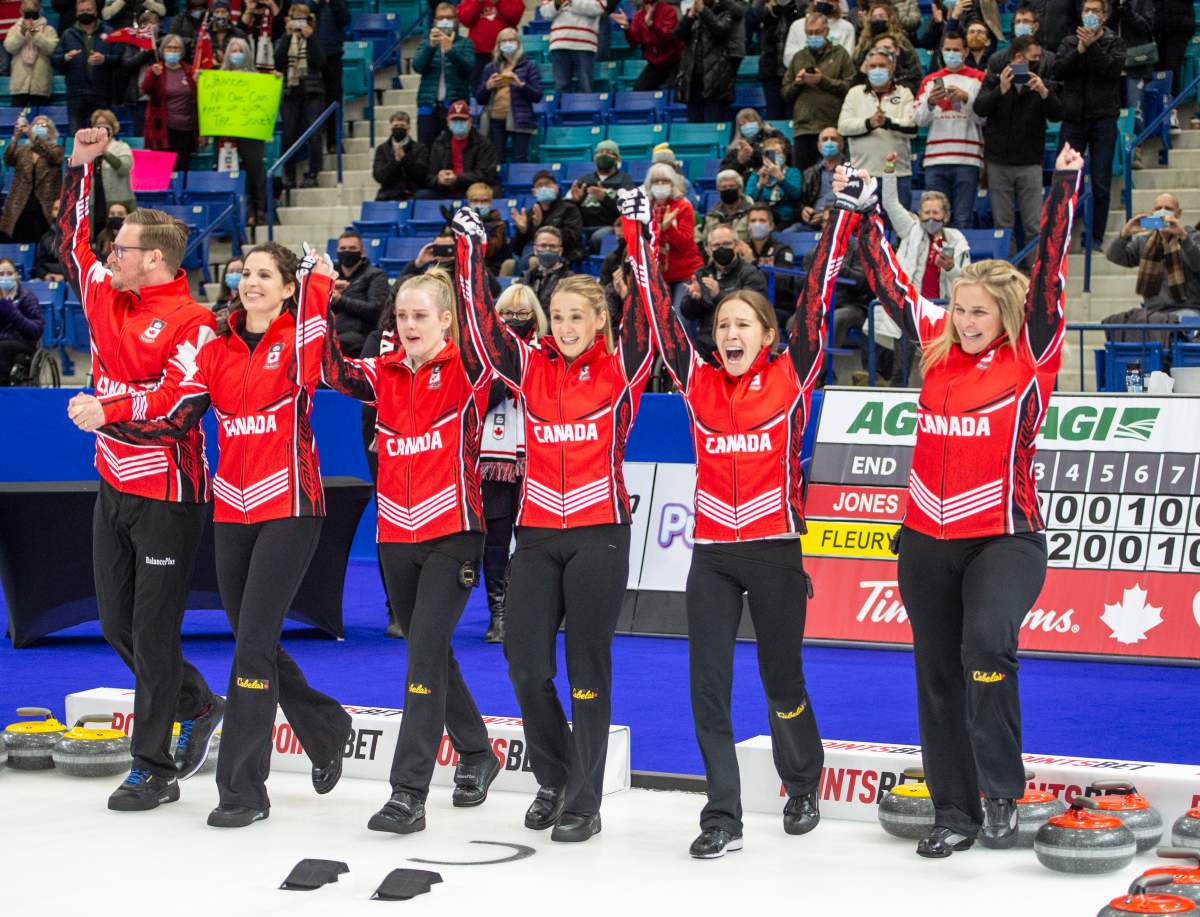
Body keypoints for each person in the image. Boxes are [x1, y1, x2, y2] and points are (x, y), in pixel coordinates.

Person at [848, 145, 1082, 858]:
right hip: (924, 537)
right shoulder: (938, 345)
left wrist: (1065, 189)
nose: (967, 319)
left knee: (985, 643)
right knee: (936, 671)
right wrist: (862, 214)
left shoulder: (1032, 353)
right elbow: (888, 287)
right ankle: (955, 809)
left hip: (1004, 536)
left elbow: (1047, 277)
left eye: (980, 310)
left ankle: (1002, 793)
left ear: (1005, 312)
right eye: (960, 307)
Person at [79, 242, 354, 829]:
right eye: (245, 272)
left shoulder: (298, 342)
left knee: (250, 645)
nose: (251, 282)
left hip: (291, 506)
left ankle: (243, 790)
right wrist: (113, 407)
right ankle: (326, 727)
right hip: (232, 508)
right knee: (255, 635)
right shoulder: (217, 346)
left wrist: (319, 287)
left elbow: (322, 351)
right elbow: (174, 411)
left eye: (265, 276)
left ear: (286, 289)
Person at [629, 180, 861, 858]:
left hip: (775, 550)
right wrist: (640, 235)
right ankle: (721, 812)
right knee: (708, 684)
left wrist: (842, 215)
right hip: (711, 555)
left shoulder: (792, 377)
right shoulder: (697, 380)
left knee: (782, 679)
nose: (730, 333)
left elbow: (817, 297)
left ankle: (802, 780)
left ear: (766, 334)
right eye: (723, 325)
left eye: (743, 325)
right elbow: (655, 309)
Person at [456, 196, 655, 844]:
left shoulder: (620, 369)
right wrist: (470, 251)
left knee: (587, 669)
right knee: (524, 662)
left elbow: (652, 322)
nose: (567, 326)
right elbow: (481, 328)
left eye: (580, 316)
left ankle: (584, 798)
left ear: (600, 319)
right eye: (560, 316)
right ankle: (554, 773)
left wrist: (638, 232)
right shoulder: (530, 366)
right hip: (537, 535)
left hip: (600, 531)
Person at [59, 127, 224, 812]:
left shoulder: (194, 322)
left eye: (121, 246)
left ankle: (152, 765)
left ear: (150, 258)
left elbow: (180, 410)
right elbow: (71, 242)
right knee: (116, 623)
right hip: (113, 484)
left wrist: (109, 407)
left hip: (169, 493)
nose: (109, 253)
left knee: (154, 631)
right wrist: (79, 168)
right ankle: (197, 701)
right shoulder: (106, 292)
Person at [319, 232, 503, 836]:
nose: (408, 324)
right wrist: (315, 289)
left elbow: (484, 331)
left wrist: (472, 259)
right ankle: (478, 752)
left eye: (421, 315)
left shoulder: (471, 370)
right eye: (401, 314)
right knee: (430, 648)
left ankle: (409, 791)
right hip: (395, 534)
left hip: (454, 530)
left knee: (423, 650)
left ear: (447, 320)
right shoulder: (382, 371)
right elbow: (327, 369)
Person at [478, 283, 545, 644]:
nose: (515, 321)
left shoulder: (546, 353)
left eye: (523, 314)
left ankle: (529, 608)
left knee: (533, 539)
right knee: (496, 538)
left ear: (535, 318)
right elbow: (469, 406)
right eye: (507, 313)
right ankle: (498, 613)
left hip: (538, 457)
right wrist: (500, 384)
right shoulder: (481, 354)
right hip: (494, 459)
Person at [974, 33, 1061, 257]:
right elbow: (979, 108)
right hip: (998, 161)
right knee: (1003, 225)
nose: (1036, 62)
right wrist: (1000, 90)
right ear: (1017, 58)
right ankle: (1008, 273)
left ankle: (1035, 274)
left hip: (1030, 161)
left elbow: (1057, 114)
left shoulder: (1041, 82)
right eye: (1032, 58)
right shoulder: (994, 79)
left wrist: (1044, 92)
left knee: (1033, 225)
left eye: (1038, 58)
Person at [1054, 0, 1123, 247]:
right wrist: (1080, 50)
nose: (1090, 14)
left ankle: (1095, 236)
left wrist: (1092, 47)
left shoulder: (1114, 42)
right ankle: (1062, 234)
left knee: (1101, 181)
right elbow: (1058, 70)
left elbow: (1111, 70)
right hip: (1073, 120)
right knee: (1067, 180)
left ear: (1104, 16)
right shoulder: (1069, 42)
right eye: (1086, 10)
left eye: (1095, 11)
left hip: (1104, 118)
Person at [914, 32, 985, 229]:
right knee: (934, 221)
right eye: (947, 50)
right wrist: (930, 102)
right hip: (935, 159)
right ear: (941, 51)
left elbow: (984, 117)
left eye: (956, 50)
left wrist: (965, 99)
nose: (951, 53)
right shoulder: (930, 80)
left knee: (963, 219)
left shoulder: (978, 79)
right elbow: (919, 120)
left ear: (966, 51)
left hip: (967, 158)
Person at [837, 47, 916, 214]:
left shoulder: (904, 93)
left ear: (892, 67)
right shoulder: (854, 93)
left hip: (897, 175)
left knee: (901, 229)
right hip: (862, 175)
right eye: (872, 66)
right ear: (866, 68)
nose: (877, 70)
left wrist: (888, 122)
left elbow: (913, 127)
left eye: (882, 65)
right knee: (865, 230)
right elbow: (843, 127)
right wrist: (869, 123)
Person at [782, 12, 854, 172]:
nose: (813, 36)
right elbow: (785, 93)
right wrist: (798, 83)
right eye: (810, 33)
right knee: (803, 178)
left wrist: (822, 80)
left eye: (817, 32)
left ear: (826, 32)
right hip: (804, 127)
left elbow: (850, 87)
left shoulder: (841, 54)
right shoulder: (799, 57)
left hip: (832, 126)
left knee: (837, 177)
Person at [681, 222, 769, 354]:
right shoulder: (701, 274)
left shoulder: (750, 273)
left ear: (737, 245)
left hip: (741, 340)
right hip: (707, 341)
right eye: (716, 245)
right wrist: (694, 299)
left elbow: (753, 308)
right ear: (708, 250)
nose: (721, 249)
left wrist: (718, 294)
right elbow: (688, 314)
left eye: (727, 244)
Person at [1107, 193, 1200, 315]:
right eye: (1158, 208)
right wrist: (1125, 234)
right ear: (1153, 212)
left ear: (1178, 213)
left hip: (1187, 308)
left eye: (1168, 209)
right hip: (1153, 311)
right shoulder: (1144, 241)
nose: (1162, 212)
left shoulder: (1192, 237)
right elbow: (1114, 256)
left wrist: (1183, 236)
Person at [644, 161, 705, 312]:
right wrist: (661, 228)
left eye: (664, 181)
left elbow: (685, 244)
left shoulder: (683, 206)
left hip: (685, 273)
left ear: (672, 184)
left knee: (679, 318)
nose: (660, 184)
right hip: (656, 275)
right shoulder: (645, 208)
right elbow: (643, 242)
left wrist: (668, 228)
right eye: (655, 181)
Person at [275, 4, 325, 189]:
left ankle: (313, 172)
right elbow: (278, 59)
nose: (298, 23)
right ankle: (288, 174)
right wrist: (288, 36)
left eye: (301, 18)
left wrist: (310, 37)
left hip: (312, 91)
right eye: (295, 18)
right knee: (288, 135)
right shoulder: (285, 38)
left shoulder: (315, 37)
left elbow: (320, 60)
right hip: (290, 92)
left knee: (314, 134)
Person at [220, 37, 270, 224]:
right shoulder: (219, 77)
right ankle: (238, 215)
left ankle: (259, 210)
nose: (236, 54)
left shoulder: (256, 76)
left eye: (240, 50)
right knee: (232, 172)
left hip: (251, 131)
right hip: (226, 132)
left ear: (247, 53)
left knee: (255, 170)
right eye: (233, 50)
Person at [476, 27, 542, 164]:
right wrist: (488, 86)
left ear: (518, 43)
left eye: (511, 40)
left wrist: (520, 84)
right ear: (498, 46)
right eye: (503, 41)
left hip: (520, 118)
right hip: (494, 119)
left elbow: (537, 95)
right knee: (496, 159)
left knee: (519, 158)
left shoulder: (529, 66)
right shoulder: (490, 67)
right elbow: (479, 98)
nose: (507, 44)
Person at [414, 3, 476, 146]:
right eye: (441, 18)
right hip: (429, 105)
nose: (445, 21)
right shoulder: (426, 43)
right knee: (425, 151)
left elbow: (467, 69)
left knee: (456, 150)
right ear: (434, 21)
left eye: (449, 17)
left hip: (455, 107)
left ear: (456, 20)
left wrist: (450, 51)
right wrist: (431, 47)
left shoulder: (466, 44)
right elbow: (418, 67)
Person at [52, 0, 117, 132]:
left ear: (95, 12)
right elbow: (55, 60)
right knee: (77, 138)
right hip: (76, 95)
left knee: (102, 137)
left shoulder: (110, 33)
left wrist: (104, 59)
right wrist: (65, 57)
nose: (85, 13)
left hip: (102, 94)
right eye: (82, 11)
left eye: (88, 10)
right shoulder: (67, 34)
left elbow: (119, 59)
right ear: (76, 13)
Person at [2, 114, 63, 244]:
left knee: (42, 244)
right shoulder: (23, 150)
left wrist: (31, 133)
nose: (38, 128)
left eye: (43, 125)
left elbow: (53, 156)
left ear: (51, 131)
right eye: (35, 125)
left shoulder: (57, 150)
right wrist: (15, 138)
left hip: (44, 207)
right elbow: (8, 159)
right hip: (21, 206)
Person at [141, 33, 198, 175]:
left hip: (185, 129)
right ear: (163, 50)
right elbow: (145, 90)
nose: (173, 51)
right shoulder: (155, 70)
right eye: (169, 48)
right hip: (161, 129)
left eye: (176, 48)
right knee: (162, 171)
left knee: (181, 170)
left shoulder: (190, 71)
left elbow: (197, 97)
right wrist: (153, 76)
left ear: (182, 51)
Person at [675, 0, 739, 123]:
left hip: (715, 77)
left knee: (715, 122)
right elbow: (678, 35)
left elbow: (721, 30)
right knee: (694, 123)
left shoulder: (726, 12)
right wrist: (689, 17)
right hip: (692, 77)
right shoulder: (692, 14)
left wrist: (704, 11)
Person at [423, 100, 501, 198]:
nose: (458, 123)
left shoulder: (484, 144)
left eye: (462, 120)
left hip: (473, 190)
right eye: (454, 120)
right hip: (445, 190)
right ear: (448, 122)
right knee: (422, 196)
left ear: (470, 121)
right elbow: (430, 174)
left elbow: (486, 174)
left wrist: (457, 178)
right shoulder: (439, 143)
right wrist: (438, 179)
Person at [569, 139, 635, 251]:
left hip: (608, 226)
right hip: (583, 226)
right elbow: (568, 209)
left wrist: (605, 199)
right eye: (600, 152)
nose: (603, 155)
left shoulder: (625, 180)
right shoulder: (584, 180)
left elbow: (628, 209)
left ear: (617, 159)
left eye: (609, 152)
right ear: (594, 158)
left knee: (598, 237)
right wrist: (575, 201)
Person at [332, 231, 391, 357]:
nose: (347, 252)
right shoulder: (330, 275)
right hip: (331, 330)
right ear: (337, 251)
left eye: (352, 248)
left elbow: (376, 310)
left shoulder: (376, 275)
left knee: (331, 344)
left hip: (361, 335)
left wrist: (340, 299)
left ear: (362, 252)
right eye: (342, 248)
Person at [513, 170, 583, 264]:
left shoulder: (569, 208)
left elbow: (572, 238)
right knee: (508, 264)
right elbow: (518, 250)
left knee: (533, 261)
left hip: (562, 253)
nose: (544, 188)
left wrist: (542, 225)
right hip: (532, 254)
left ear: (556, 188)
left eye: (548, 184)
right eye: (540, 186)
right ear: (534, 192)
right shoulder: (531, 212)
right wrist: (522, 232)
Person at [308, 0, 350, 152]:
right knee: (311, 104)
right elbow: (301, 14)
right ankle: (313, 147)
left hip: (333, 55)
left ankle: (334, 141)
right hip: (309, 57)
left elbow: (345, 20)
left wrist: (334, 3)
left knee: (334, 99)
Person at [744, 203, 799, 319]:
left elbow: (782, 283)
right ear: (748, 225)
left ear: (771, 225)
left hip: (777, 306)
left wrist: (753, 263)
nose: (757, 224)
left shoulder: (782, 250)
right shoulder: (743, 250)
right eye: (753, 221)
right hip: (748, 304)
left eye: (762, 221)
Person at [750, 0, 802, 119]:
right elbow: (755, 12)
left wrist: (790, 6)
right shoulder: (766, 9)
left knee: (792, 114)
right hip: (770, 69)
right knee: (774, 113)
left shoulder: (797, 8)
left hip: (793, 70)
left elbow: (804, 9)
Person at [616, 0, 682, 91]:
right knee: (638, 91)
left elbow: (668, 37)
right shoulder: (638, 16)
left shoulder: (668, 11)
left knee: (672, 92)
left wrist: (652, 25)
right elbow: (634, 43)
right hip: (655, 65)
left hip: (674, 62)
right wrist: (627, 28)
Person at [5, 0, 59, 108]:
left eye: (33, 8)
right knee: (18, 122)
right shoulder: (14, 29)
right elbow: (9, 47)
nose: (30, 12)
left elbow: (51, 49)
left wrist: (35, 34)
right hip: (19, 86)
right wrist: (21, 34)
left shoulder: (48, 29)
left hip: (40, 87)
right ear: (21, 10)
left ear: (39, 8)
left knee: (40, 122)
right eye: (27, 10)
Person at [459, 0, 524, 90]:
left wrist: (499, 2)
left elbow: (514, 17)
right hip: (479, 55)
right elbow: (465, 19)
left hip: (507, 54)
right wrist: (477, 2)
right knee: (480, 91)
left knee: (509, 90)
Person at [0, 258, 45, 385]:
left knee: (2, 348)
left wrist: (13, 312)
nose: (5, 277)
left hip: (23, 344)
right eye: (1, 274)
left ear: (17, 276)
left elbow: (36, 331)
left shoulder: (27, 298)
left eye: (9, 274)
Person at [540, 0, 601, 92]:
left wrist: (571, 2)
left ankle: (586, 107)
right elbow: (545, 13)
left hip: (584, 45)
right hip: (559, 44)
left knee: (585, 87)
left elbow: (598, 8)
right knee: (561, 87)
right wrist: (558, 3)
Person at [745, 135, 804, 229]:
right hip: (761, 219)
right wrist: (759, 185)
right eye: (771, 153)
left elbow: (796, 195)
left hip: (785, 220)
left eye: (778, 153)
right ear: (764, 157)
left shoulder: (793, 172)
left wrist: (780, 178)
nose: (775, 157)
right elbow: (748, 200)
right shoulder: (757, 174)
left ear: (784, 156)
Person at [373, 111, 431, 202]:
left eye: (402, 126)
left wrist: (405, 159)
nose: (398, 129)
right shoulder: (382, 149)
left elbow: (422, 174)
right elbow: (379, 176)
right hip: (388, 194)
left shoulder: (420, 148)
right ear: (391, 127)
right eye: (396, 126)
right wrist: (395, 161)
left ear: (408, 128)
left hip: (413, 193)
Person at [89, 109, 135, 215]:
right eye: (98, 125)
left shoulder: (122, 147)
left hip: (118, 204)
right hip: (92, 204)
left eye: (106, 125)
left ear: (113, 127)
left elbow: (124, 169)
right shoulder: (87, 149)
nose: (102, 128)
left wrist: (106, 154)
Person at [783, 0, 854, 65]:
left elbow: (846, 59)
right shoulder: (798, 25)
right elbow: (788, 58)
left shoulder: (847, 27)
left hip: (832, 76)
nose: (826, 1)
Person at [721, 108, 786, 178]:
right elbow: (724, 173)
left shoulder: (773, 135)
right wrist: (739, 161)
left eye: (750, 121)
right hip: (747, 182)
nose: (747, 125)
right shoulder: (736, 147)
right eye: (743, 123)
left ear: (758, 121)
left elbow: (784, 155)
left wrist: (753, 154)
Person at [798, 127, 843, 228]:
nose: (829, 142)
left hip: (841, 221)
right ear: (818, 146)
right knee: (788, 233)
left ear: (841, 144)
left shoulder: (851, 171)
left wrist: (828, 215)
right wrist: (803, 210)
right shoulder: (809, 173)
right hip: (814, 221)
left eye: (833, 139)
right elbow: (802, 201)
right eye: (825, 139)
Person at [520, 225, 572, 306]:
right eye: (543, 245)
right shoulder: (527, 277)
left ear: (560, 251)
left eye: (553, 246)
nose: (547, 249)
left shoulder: (570, 280)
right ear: (535, 250)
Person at [466, 182, 511, 274]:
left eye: (484, 201)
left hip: (489, 267)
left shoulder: (498, 224)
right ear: (469, 203)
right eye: (475, 201)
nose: (479, 204)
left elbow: (489, 251)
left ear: (490, 203)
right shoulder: (461, 222)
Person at [701, 170, 754, 245]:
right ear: (718, 191)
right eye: (724, 187)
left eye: (731, 186)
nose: (727, 189)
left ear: (740, 189)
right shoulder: (711, 215)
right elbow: (703, 241)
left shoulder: (752, 213)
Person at [35, 199, 67, 281]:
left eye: (62, 208)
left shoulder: (78, 236)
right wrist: (45, 275)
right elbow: (39, 265)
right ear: (52, 213)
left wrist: (65, 278)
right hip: (49, 277)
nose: (59, 212)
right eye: (56, 209)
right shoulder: (45, 238)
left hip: (71, 281)